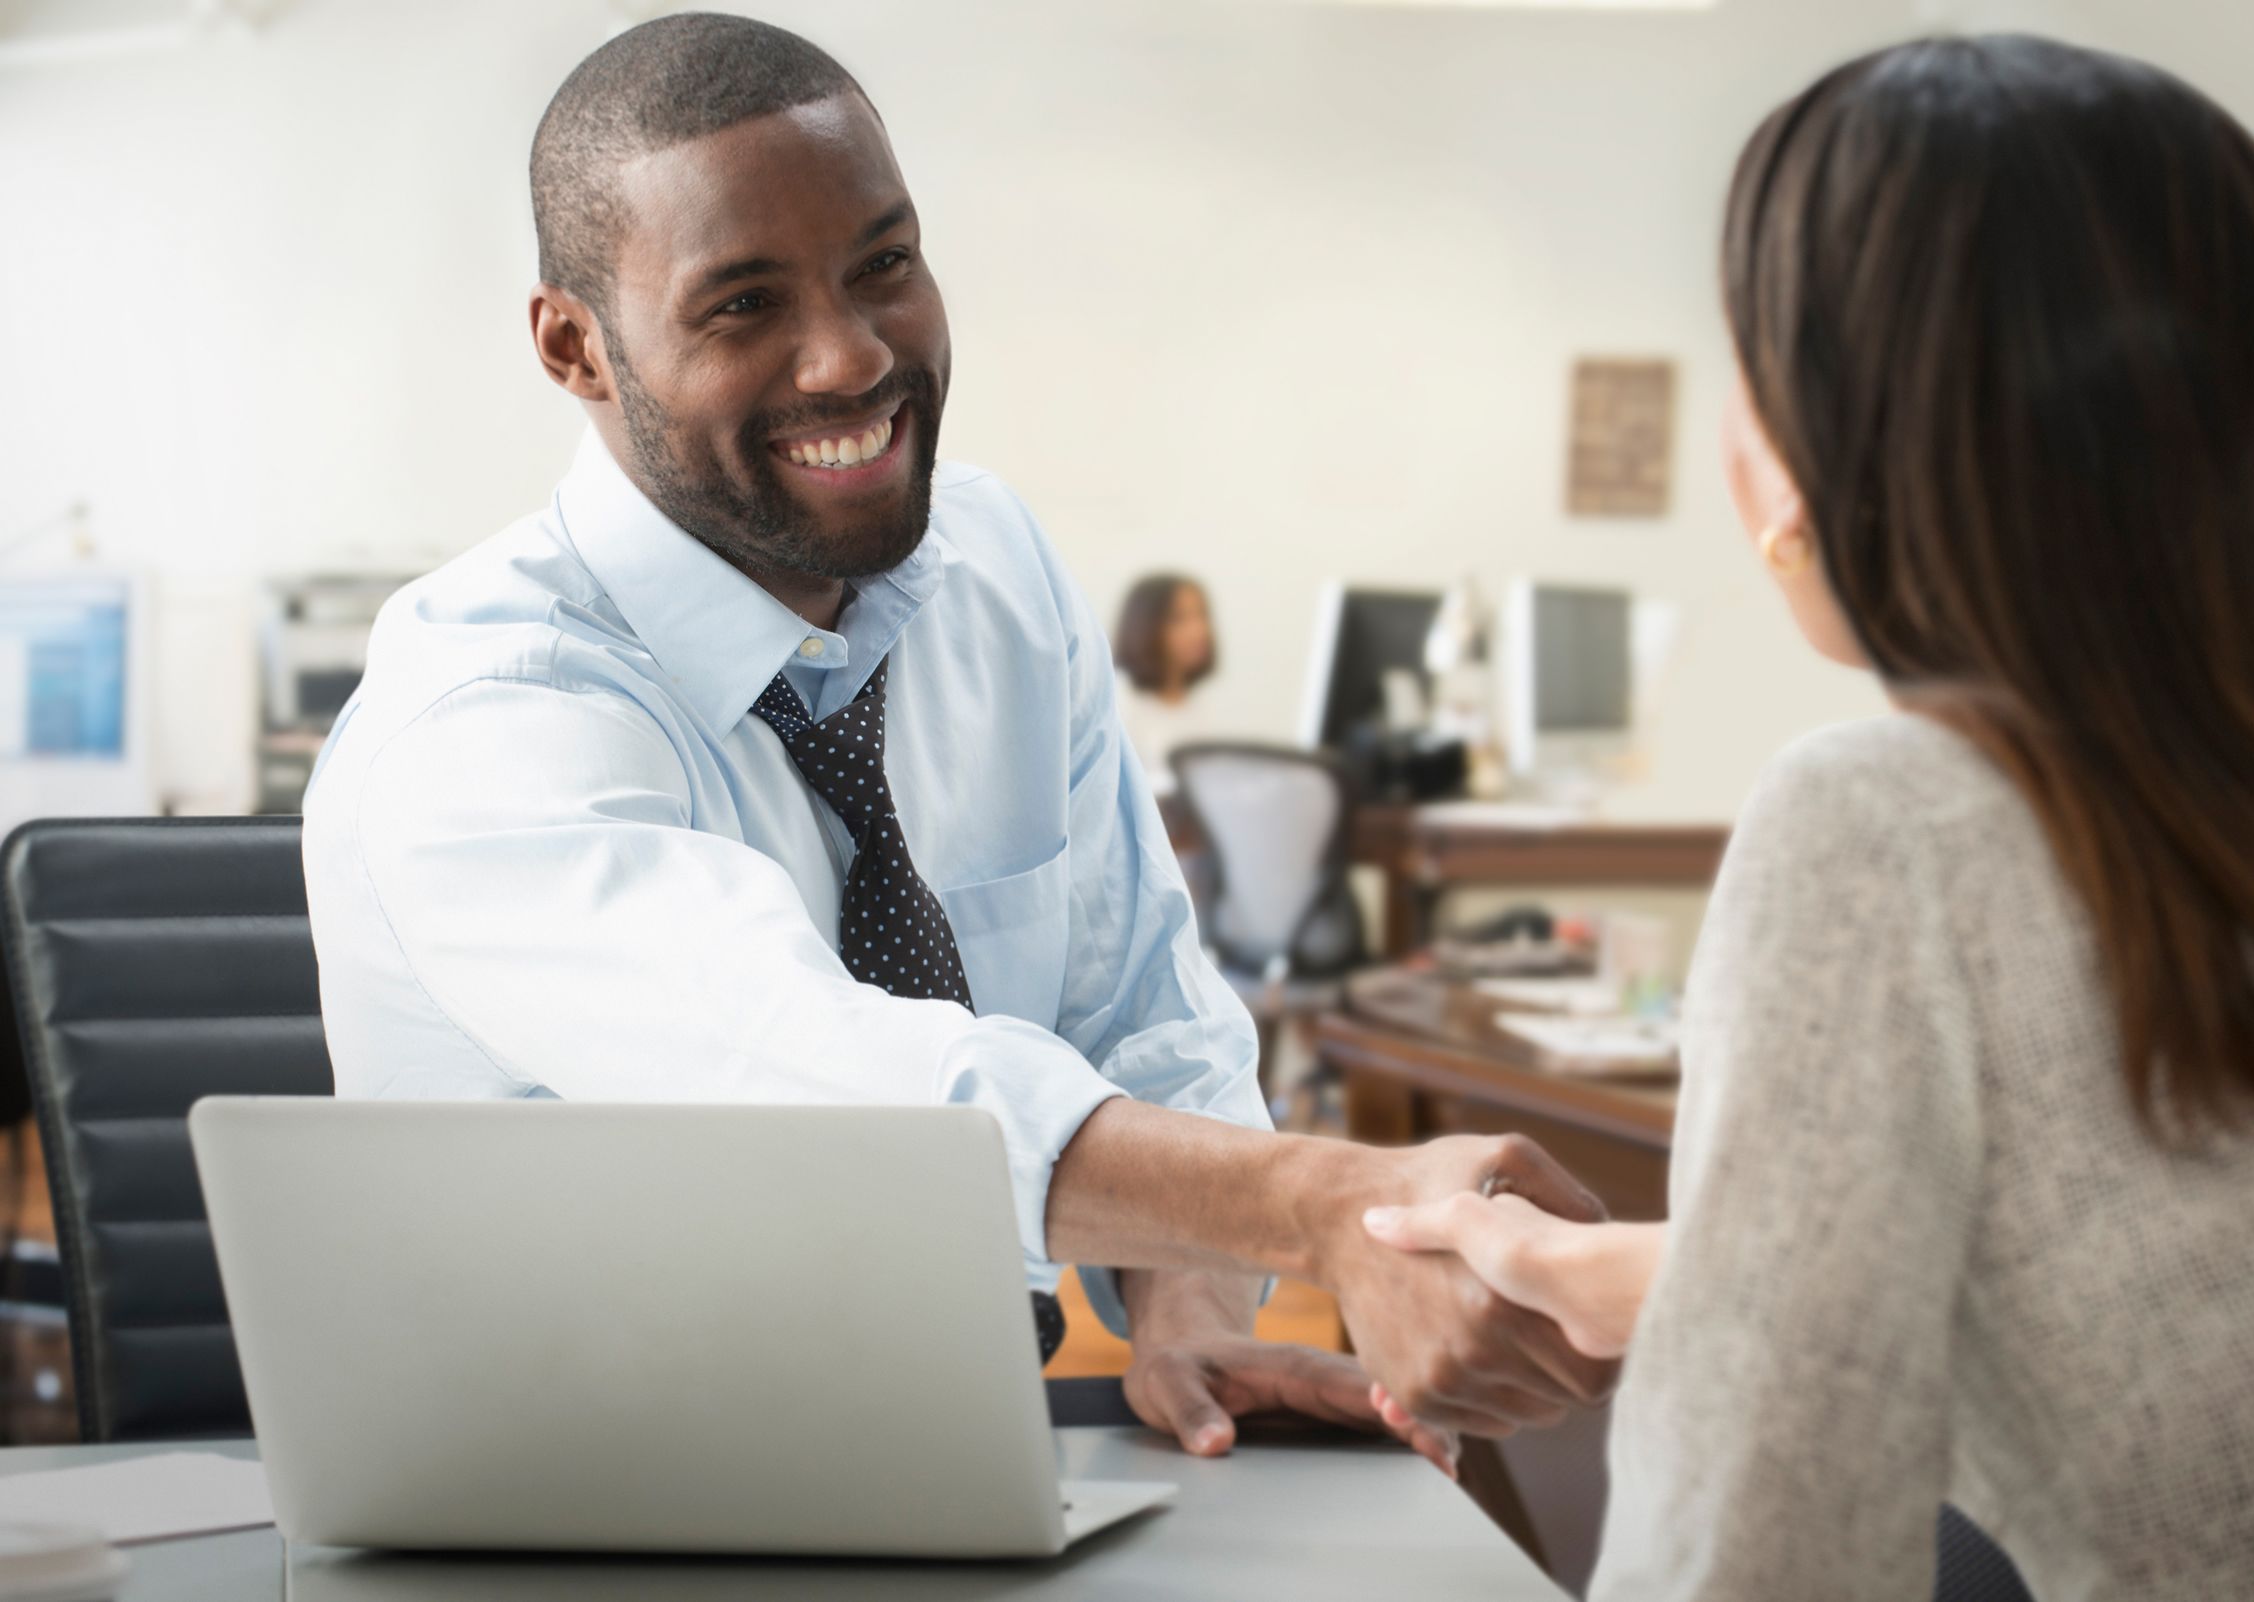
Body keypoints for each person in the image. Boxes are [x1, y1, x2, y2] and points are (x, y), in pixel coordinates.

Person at [300, 12, 1613, 1468]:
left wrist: (1187, 1309)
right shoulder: (482, 710)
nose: (851, 358)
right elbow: (826, 1082)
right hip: (582, 1489)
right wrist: (1317, 1201)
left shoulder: (990, 563)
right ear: (576, 349)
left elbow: (1141, 1005)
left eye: (885, 266)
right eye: (742, 306)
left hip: (968, 1458)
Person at [1361, 34, 2254, 1600]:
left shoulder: (1887, 822)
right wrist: (1639, 1274)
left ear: (1835, 449)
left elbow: (1757, 1553)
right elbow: (2185, 1275)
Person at [1112, 573, 1217, 793]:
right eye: (1179, 619)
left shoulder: (1202, 707)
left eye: (1201, 615)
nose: (1198, 630)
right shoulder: (1118, 699)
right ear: (1145, 625)